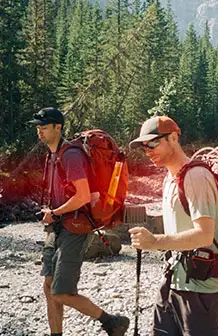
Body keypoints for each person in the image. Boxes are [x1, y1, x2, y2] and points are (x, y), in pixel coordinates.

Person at [30, 107, 130, 336]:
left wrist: (55, 213)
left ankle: (112, 321)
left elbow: (83, 196)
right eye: (38, 128)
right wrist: (52, 213)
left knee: (61, 292)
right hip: (56, 227)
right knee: (48, 286)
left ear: (58, 127)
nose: (40, 132)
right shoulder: (53, 156)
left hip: (74, 228)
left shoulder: (71, 155)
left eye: (44, 127)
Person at [129, 116, 218, 336]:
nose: (148, 151)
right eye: (144, 147)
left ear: (173, 137)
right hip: (172, 281)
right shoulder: (170, 178)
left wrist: (154, 242)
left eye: (153, 143)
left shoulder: (197, 176)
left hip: (200, 289)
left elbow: (204, 236)